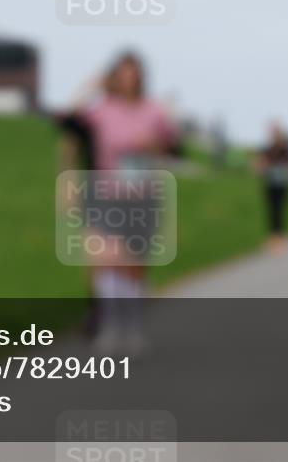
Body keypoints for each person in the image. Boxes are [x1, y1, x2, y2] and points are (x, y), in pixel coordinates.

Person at [72, 52, 178, 352]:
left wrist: (153, 144)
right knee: (106, 259)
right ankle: (110, 325)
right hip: (107, 191)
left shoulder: (154, 111)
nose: (128, 79)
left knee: (133, 265)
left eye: (133, 73)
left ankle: (132, 327)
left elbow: (172, 143)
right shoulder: (102, 109)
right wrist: (89, 87)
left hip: (142, 193)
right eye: (122, 73)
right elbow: (69, 120)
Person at [255, 123, 288, 254]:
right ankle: (272, 237)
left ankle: (281, 237)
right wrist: (262, 167)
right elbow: (260, 165)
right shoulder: (267, 149)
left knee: (280, 209)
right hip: (270, 183)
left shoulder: (286, 150)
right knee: (271, 209)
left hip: (283, 184)